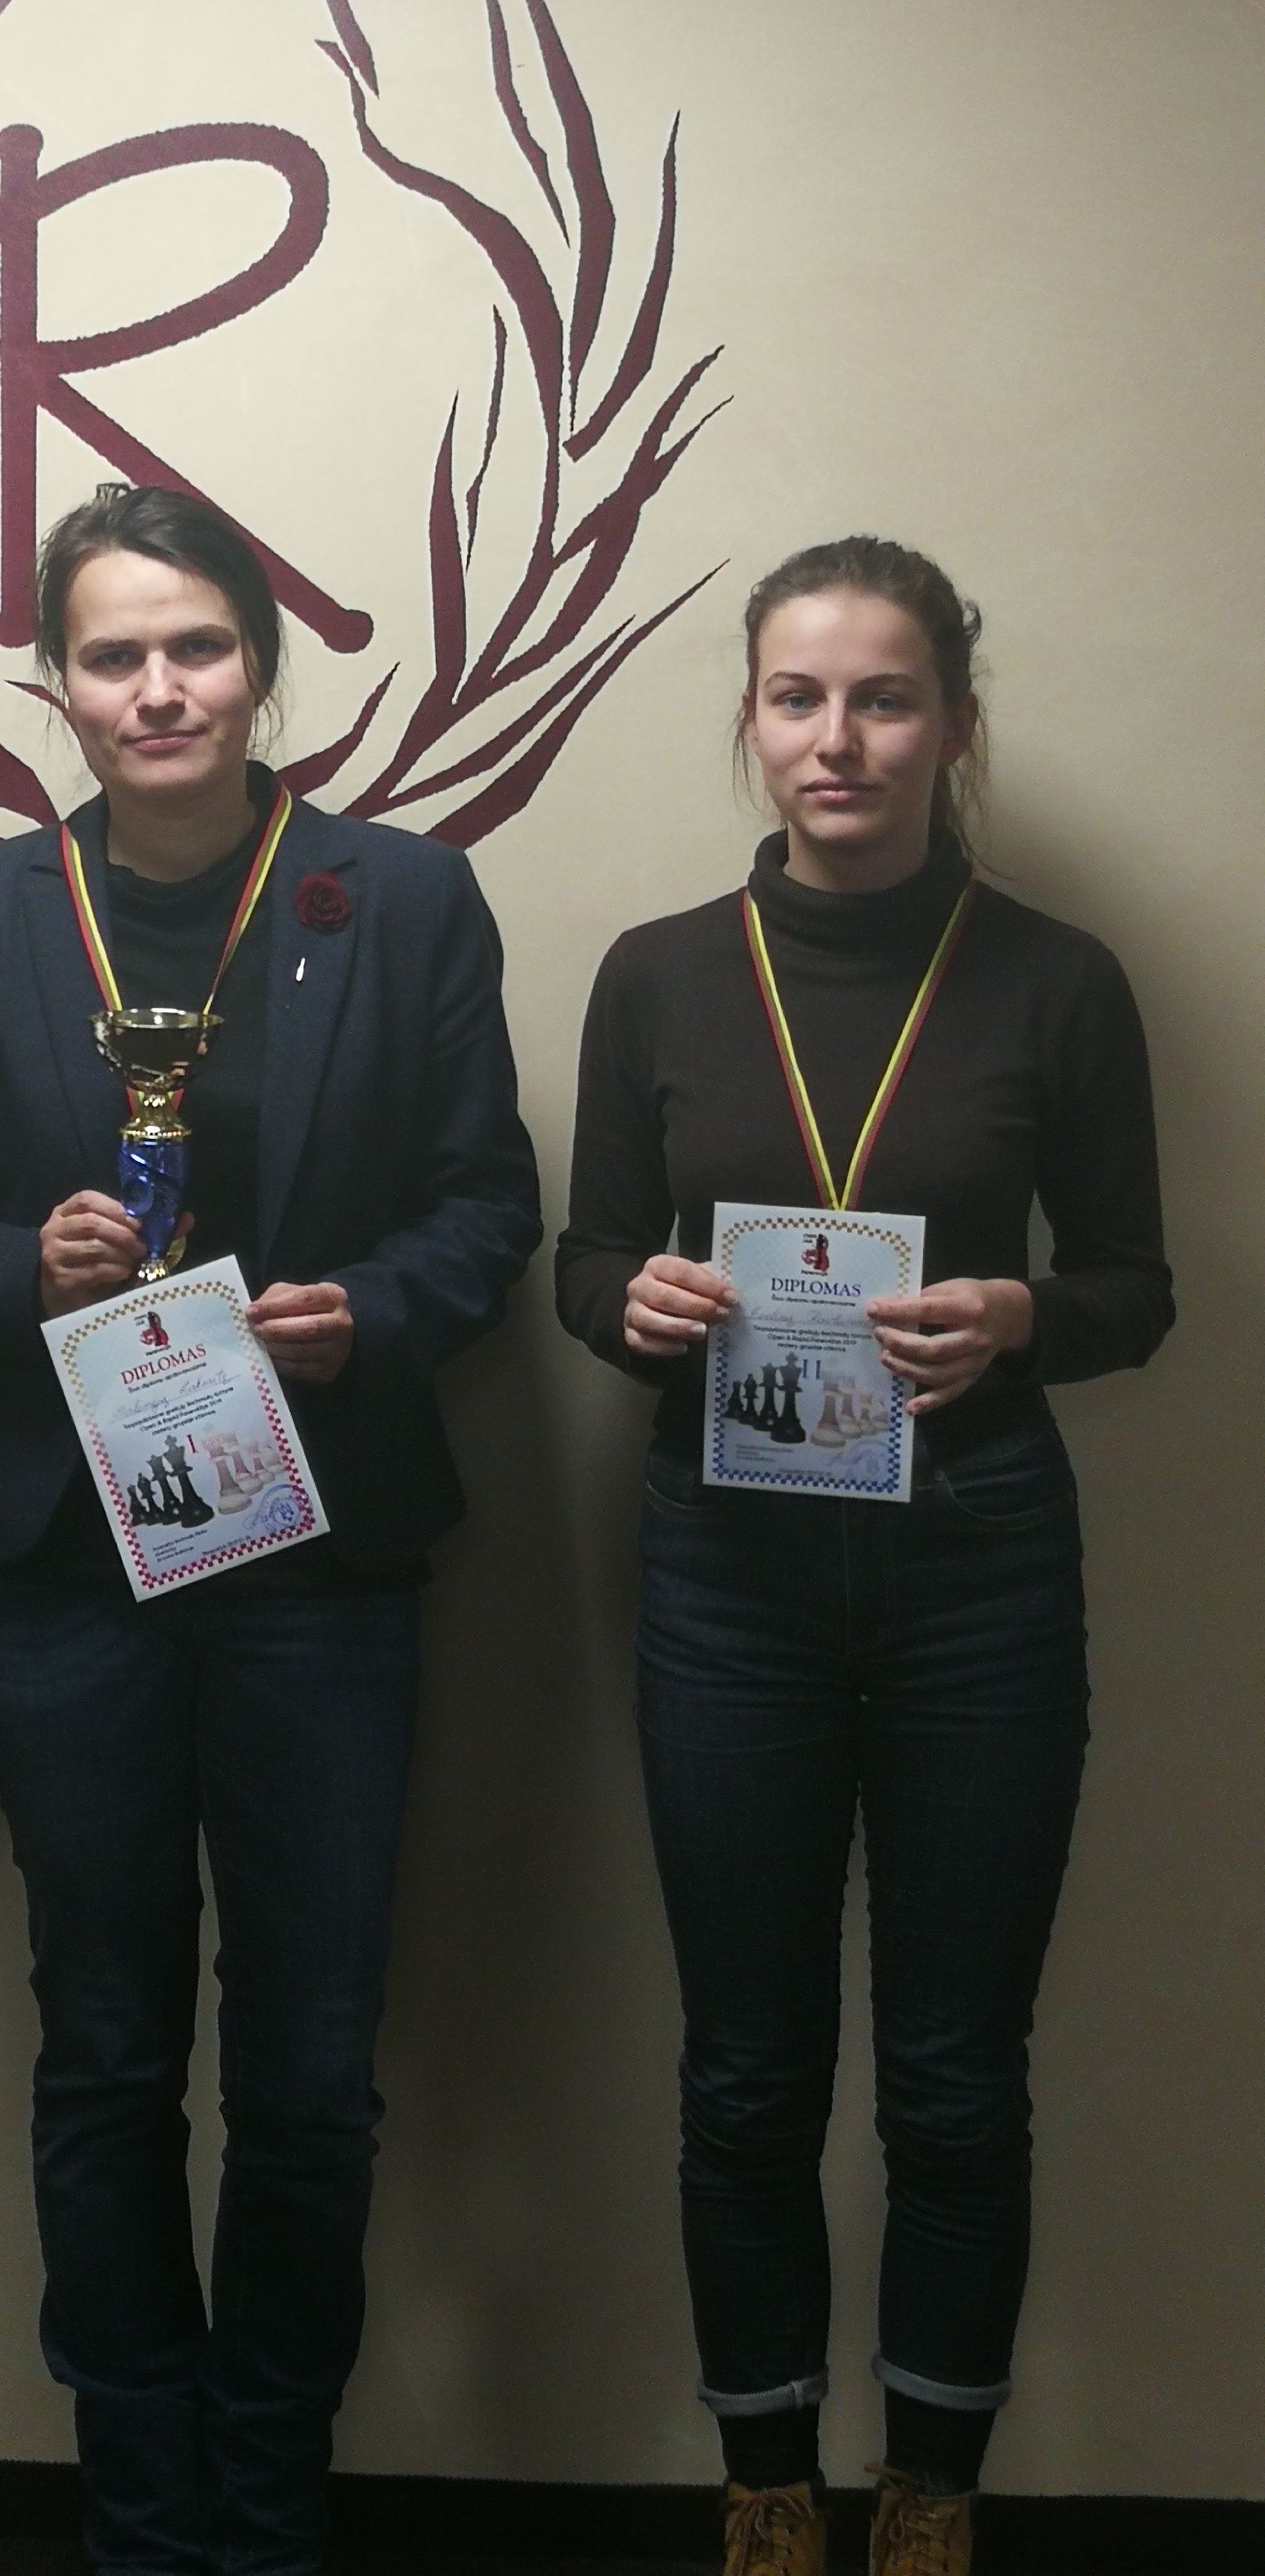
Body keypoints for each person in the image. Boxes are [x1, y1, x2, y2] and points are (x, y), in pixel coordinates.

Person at [0, 483, 542, 2576]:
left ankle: (272, 2494)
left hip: (318, 1565)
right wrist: (22, 1270)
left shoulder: (399, 898)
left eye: (198, 646)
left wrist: (374, 1316)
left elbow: (485, 1206)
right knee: (105, 2049)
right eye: (114, 654)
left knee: (313, 2069)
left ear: (260, 662)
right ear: (56, 686)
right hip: (65, 1576)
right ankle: (143, 2510)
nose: (159, 689)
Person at [554, 540, 1172, 2576]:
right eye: (800, 697)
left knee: (953, 2079)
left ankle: (929, 2494)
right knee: (745, 2072)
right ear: (751, 720)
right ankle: (764, 2486)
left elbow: (1138, 1283)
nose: (840, 739)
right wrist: (628, 1304)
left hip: (977, 1563)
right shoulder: (659, 971)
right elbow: (585, 1255)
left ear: (954, 727)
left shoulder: (1058, 979)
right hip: (725, 1569)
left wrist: (1022, 1319)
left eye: (886, 698)